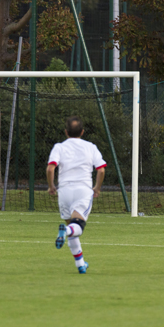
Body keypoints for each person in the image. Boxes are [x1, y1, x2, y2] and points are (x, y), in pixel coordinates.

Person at [46, 116, 106, 274]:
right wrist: (97, 188)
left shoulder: (59, 147)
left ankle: (80, 265)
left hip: (64, 192)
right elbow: (101, 169)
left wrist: (51, 186)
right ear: (83, 132)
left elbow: (50, 168)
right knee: (77, 227)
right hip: (83, 191)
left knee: (72, 226)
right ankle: (64, 232)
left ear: (66, 132)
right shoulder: (90, 147)